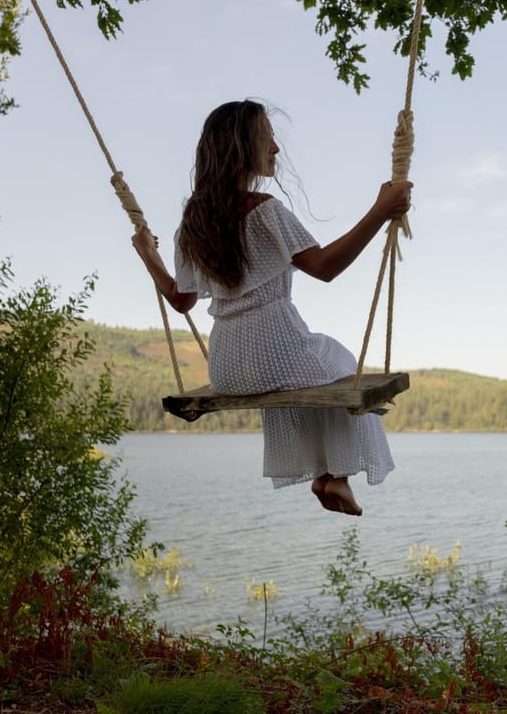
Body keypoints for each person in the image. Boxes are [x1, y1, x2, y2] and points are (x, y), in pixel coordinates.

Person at [132, 100, 413, 516]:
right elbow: (325, 267)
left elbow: (180, 300)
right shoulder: (264, 209)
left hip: (226, 368)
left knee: (314, 372)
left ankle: (327, 474)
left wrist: (147, 256)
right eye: (266, 137)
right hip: (276, 350)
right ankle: (334, 475)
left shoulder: (191, 225)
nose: (276, 148)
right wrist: (380, 211)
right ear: (240, 146)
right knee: (338, 362)